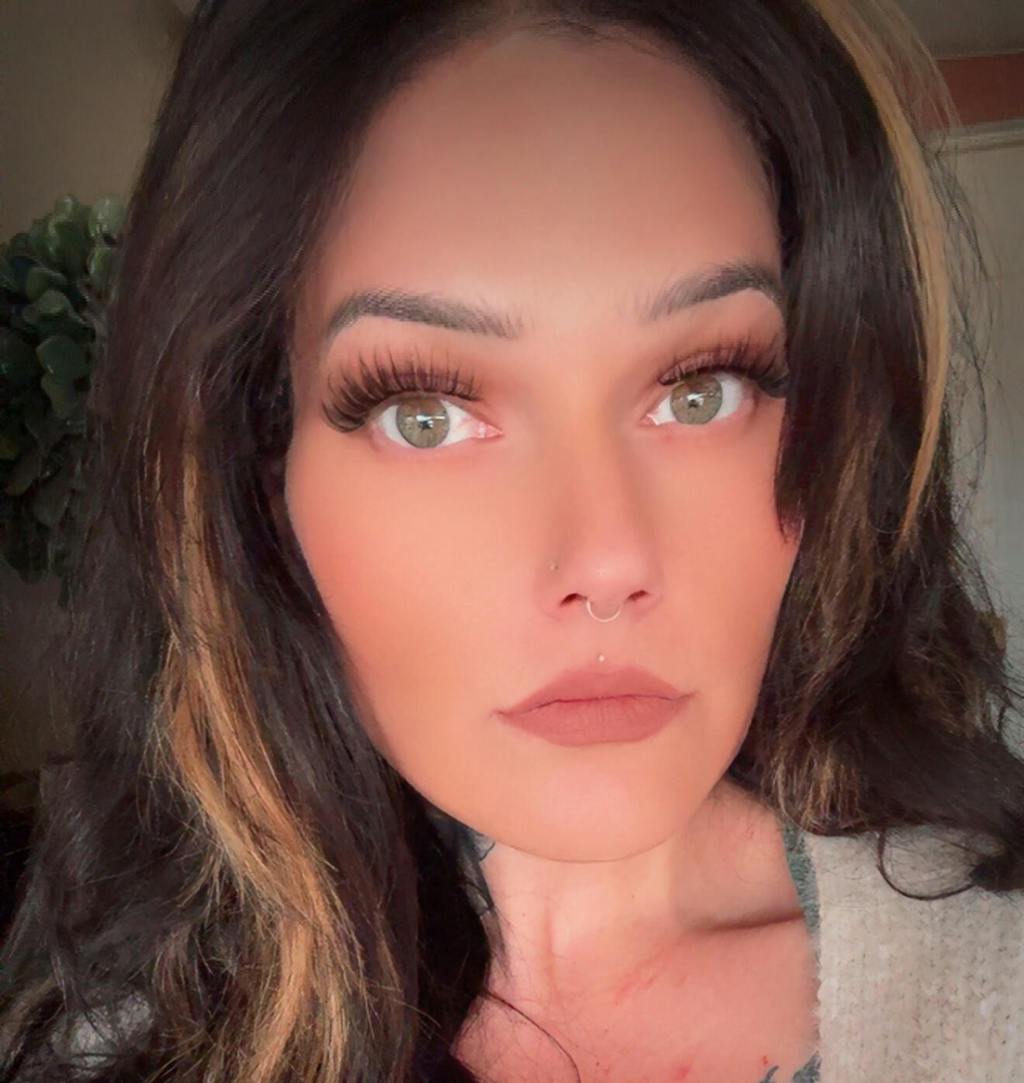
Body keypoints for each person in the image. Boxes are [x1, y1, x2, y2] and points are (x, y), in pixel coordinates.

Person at [2, 1, 1023, 1080]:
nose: (607, 562)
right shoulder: (116, 1048)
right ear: (261, 473)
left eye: (701, 391)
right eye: (425, 415)